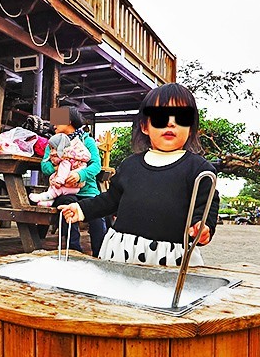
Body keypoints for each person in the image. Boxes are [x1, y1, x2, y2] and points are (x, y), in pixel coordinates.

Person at [60, 83, 219, 266]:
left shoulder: (200, 169)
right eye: (160, 117)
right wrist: (81, 209)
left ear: (191, 127)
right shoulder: (130, 165)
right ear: (145, 126)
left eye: (181, 117)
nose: (170, 123)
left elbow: (207, 204)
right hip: (122, 250)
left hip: (170, 256)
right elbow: (111, 199)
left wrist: (203, 227)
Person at [43, 106, 107, 257]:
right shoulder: (52, 142)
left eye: (58, 120)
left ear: (69, 121)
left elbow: (96, 165)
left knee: (98, 217)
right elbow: (44, 166)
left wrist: (80, 175)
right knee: (66, 208)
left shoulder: (87, 141)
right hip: (64, 191)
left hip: (88, 191)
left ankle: (100, 255)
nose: (54, 125)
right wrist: (60, 170)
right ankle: (74, 253)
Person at [28, 133, 91, 205]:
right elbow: (45, 166)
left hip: (71, 184)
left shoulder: (66, 160)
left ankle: (45, 196)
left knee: (58, 189)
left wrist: (59, 180)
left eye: (52, 148)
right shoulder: (71, 154)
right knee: (54, 184)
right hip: (72, 185)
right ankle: (49, 201)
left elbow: (64, 171)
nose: (55, 126)